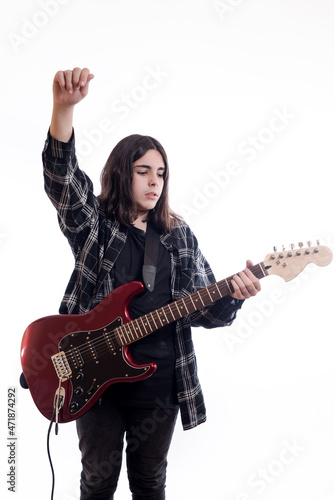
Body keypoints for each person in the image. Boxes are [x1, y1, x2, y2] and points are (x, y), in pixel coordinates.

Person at [43, 67, 261, 500]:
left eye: (161, 174)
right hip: (94, 379)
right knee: (98, 481)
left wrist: (234, 296)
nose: (154, 182)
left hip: (159, 383)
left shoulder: (178, 236)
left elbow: (205, 310)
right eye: (144, 171)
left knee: (150, 482)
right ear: (122, 174)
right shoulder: (96, 227)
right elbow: (63, 185)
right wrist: (63, 109)